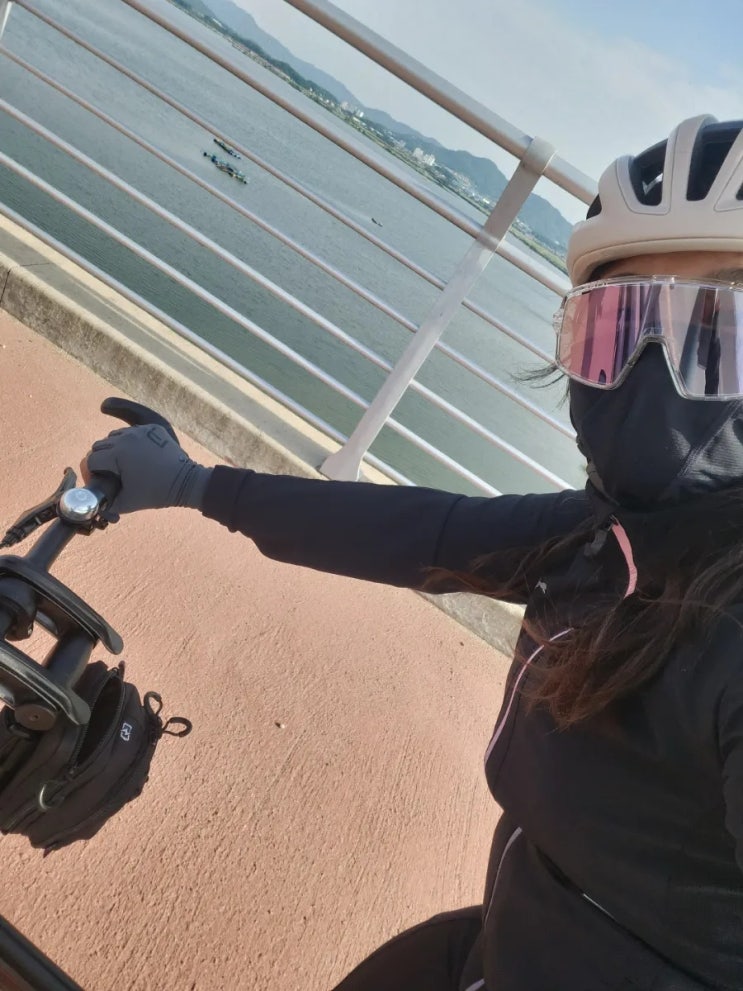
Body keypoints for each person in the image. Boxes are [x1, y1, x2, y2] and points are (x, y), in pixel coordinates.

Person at [82, 114, 743, 990]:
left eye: (719, 333)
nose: (649, 373)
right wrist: (196, 484)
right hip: (509, 928)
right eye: (615, 324)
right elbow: (428, 532)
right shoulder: (613, 537)